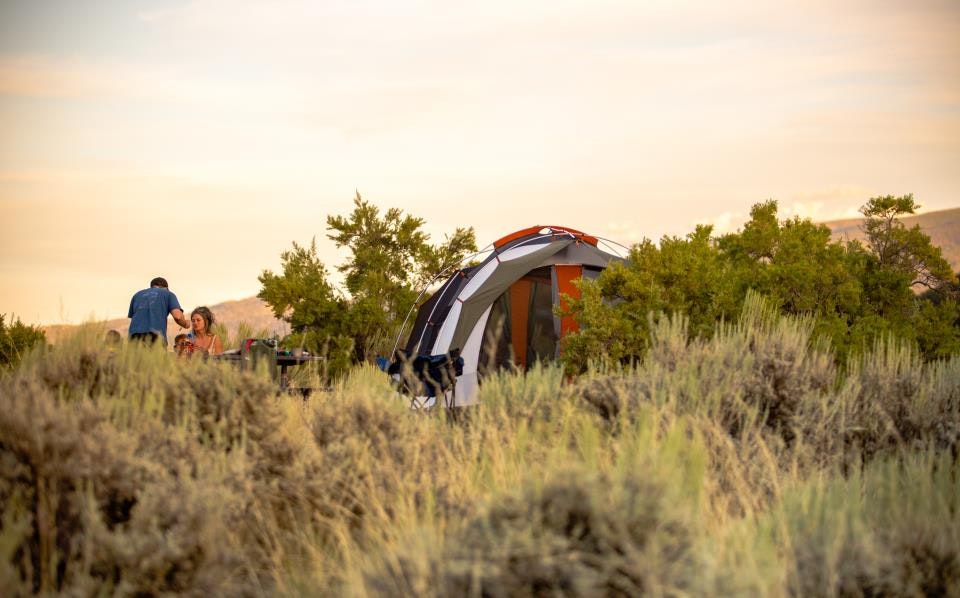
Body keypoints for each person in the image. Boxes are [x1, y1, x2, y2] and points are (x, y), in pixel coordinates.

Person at [128, 277, 190, 345]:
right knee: (156, 355)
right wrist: (185, 324)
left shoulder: (137, 295)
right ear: (166, 288)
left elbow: (134, 316)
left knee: (135, 355)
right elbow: (177, 316)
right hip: (155, 337)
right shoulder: (168, 293)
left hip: (133, 337)